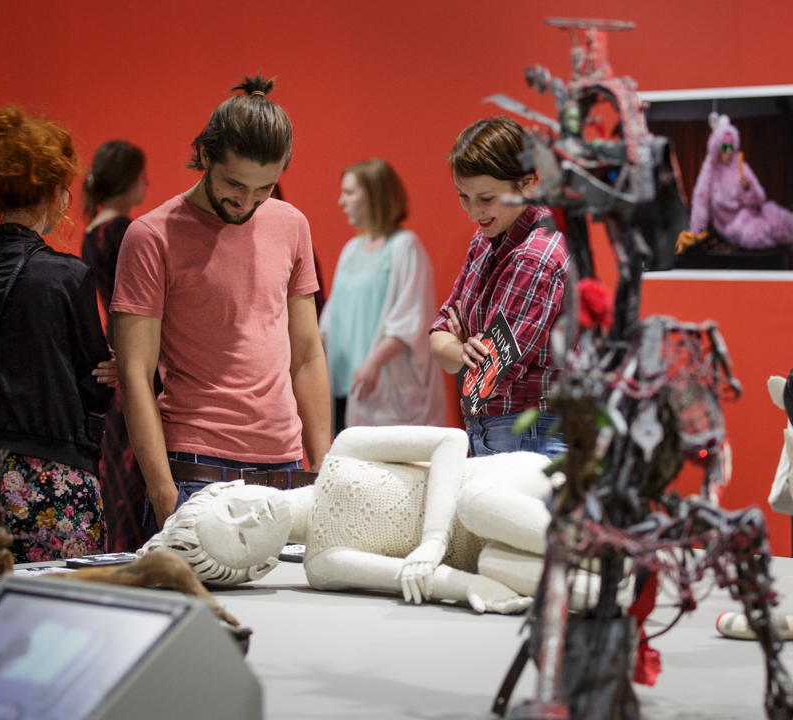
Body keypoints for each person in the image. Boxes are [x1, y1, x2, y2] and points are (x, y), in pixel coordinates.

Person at [111, 74, 331, 537]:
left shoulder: (291, 224)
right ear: (205, 156)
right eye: (235, 183)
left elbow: (307, 354)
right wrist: (164, 494)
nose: (247, 201)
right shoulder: (151, 236)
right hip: (196, 468)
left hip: (286, 468)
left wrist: (324, 467)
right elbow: (135, 375)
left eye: (264, 187)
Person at [140, 425, 596, 614]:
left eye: (233, 509)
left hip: (503, 489)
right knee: (497, 568)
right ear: (260, 566)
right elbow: (414, 578)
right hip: (488, 548)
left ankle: (602, 546)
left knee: (475, 503)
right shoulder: (322, 566)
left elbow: (450, 442)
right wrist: (469, 586)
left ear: (234, 487)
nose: (252, 517)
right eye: (243, 538)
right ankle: (611, 583)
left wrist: (435, 538)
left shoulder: (346, 449)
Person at [0, 106, 115, 567]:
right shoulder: (66, 276)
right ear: (55, 192)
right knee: (57, 606)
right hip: (53, 486)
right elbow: (95, 387)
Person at [429, 116, 570, 458]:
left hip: (530, 433)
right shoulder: (484, 238)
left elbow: (488, 379)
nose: (472, 212)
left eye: (486, 198)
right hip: (496, 429)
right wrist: (462, 351)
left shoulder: (536, 257)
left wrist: (461, 346)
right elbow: (439, 333)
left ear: (527, 185)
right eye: (464, 196)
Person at [320, 159, 446, 432]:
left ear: (375, 195)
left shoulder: (405, 246)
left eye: (349, 192)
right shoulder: (351, 250)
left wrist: (373, 362)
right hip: (344, 385)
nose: (341, 202)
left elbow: (412, 317)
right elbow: (331, 318)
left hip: (384, 391)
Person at [81, 140, 149, 552]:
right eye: (143, 176)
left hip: (113, 341)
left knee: (119, 457)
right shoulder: (123, 232)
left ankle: (118, 544)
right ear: (127, 179)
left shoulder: (93, 230)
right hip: (133, 344)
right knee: (134, 456)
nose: (147, 184)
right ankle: (133, 544)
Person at [688, 113, 793, 250]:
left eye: (731, 146)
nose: (728, 151)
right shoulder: (710, 170)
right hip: (733, 226)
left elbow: (760, 199)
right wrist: (695, 232)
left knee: (782, 219)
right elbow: (700, 201)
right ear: (716, 147)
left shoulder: (740, 165)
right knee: (755, 234)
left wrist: (748, 189)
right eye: (724, 147)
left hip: (754, 213)